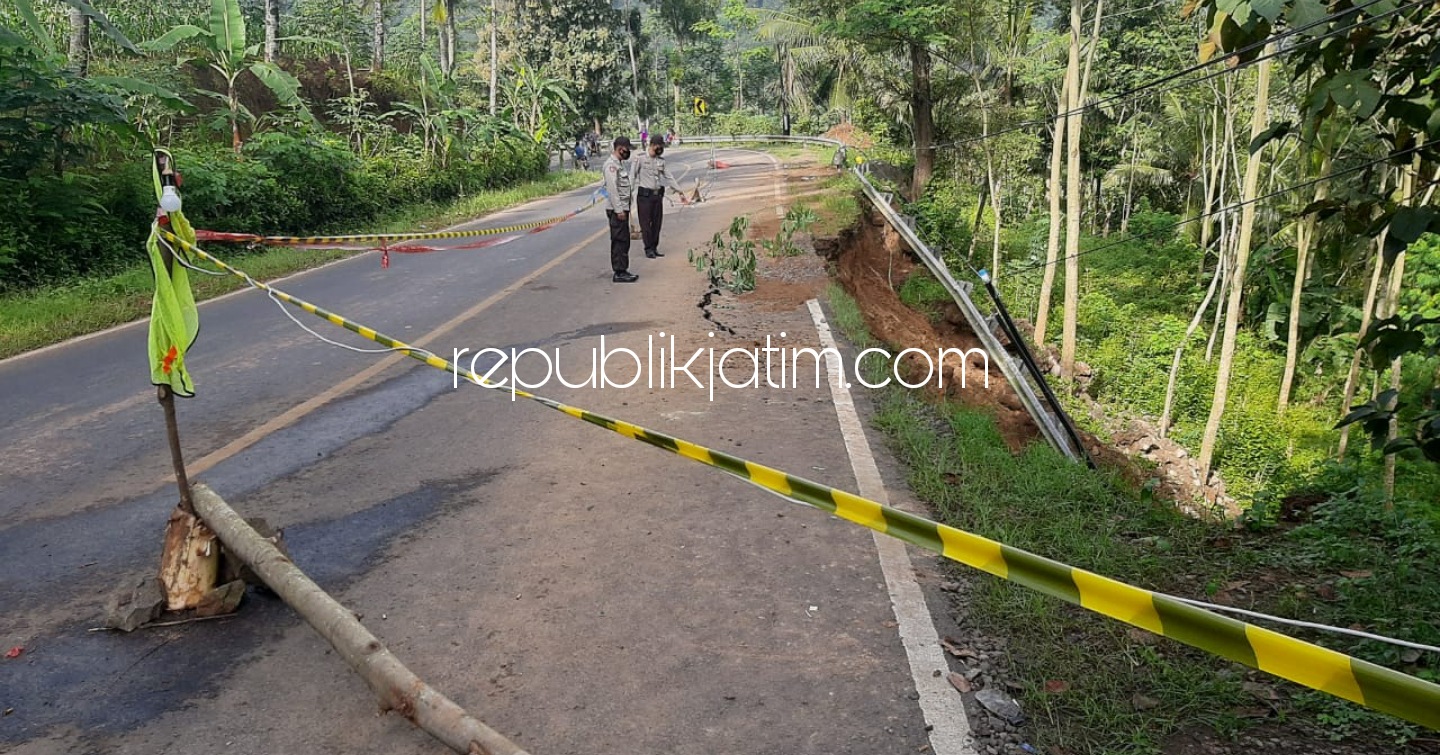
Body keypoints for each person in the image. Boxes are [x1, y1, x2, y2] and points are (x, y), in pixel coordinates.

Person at [632, 133, 688, 259]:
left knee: (657, 224)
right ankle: (648, 248)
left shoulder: (660, 161)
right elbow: (632, 176)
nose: (660, 149)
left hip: (657, 196)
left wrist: (679, 191)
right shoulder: (640, 158)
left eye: (661, 147)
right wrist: (628, 194)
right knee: (646, 224)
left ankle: (654, 247)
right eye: (658, 146)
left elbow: (669, 176)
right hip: (644, 197)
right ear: (652, 145)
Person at [602, 136, 638, 283]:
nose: (628, 152)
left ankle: (623, 269)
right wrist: (619, 210)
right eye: (627, 149)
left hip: (623, 208)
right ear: (620, 148)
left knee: (624, 241)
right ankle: (619, 272)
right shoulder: (610, 166)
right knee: (619, 240)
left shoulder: (619, 165)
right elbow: (612, 190)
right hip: (617, 210)